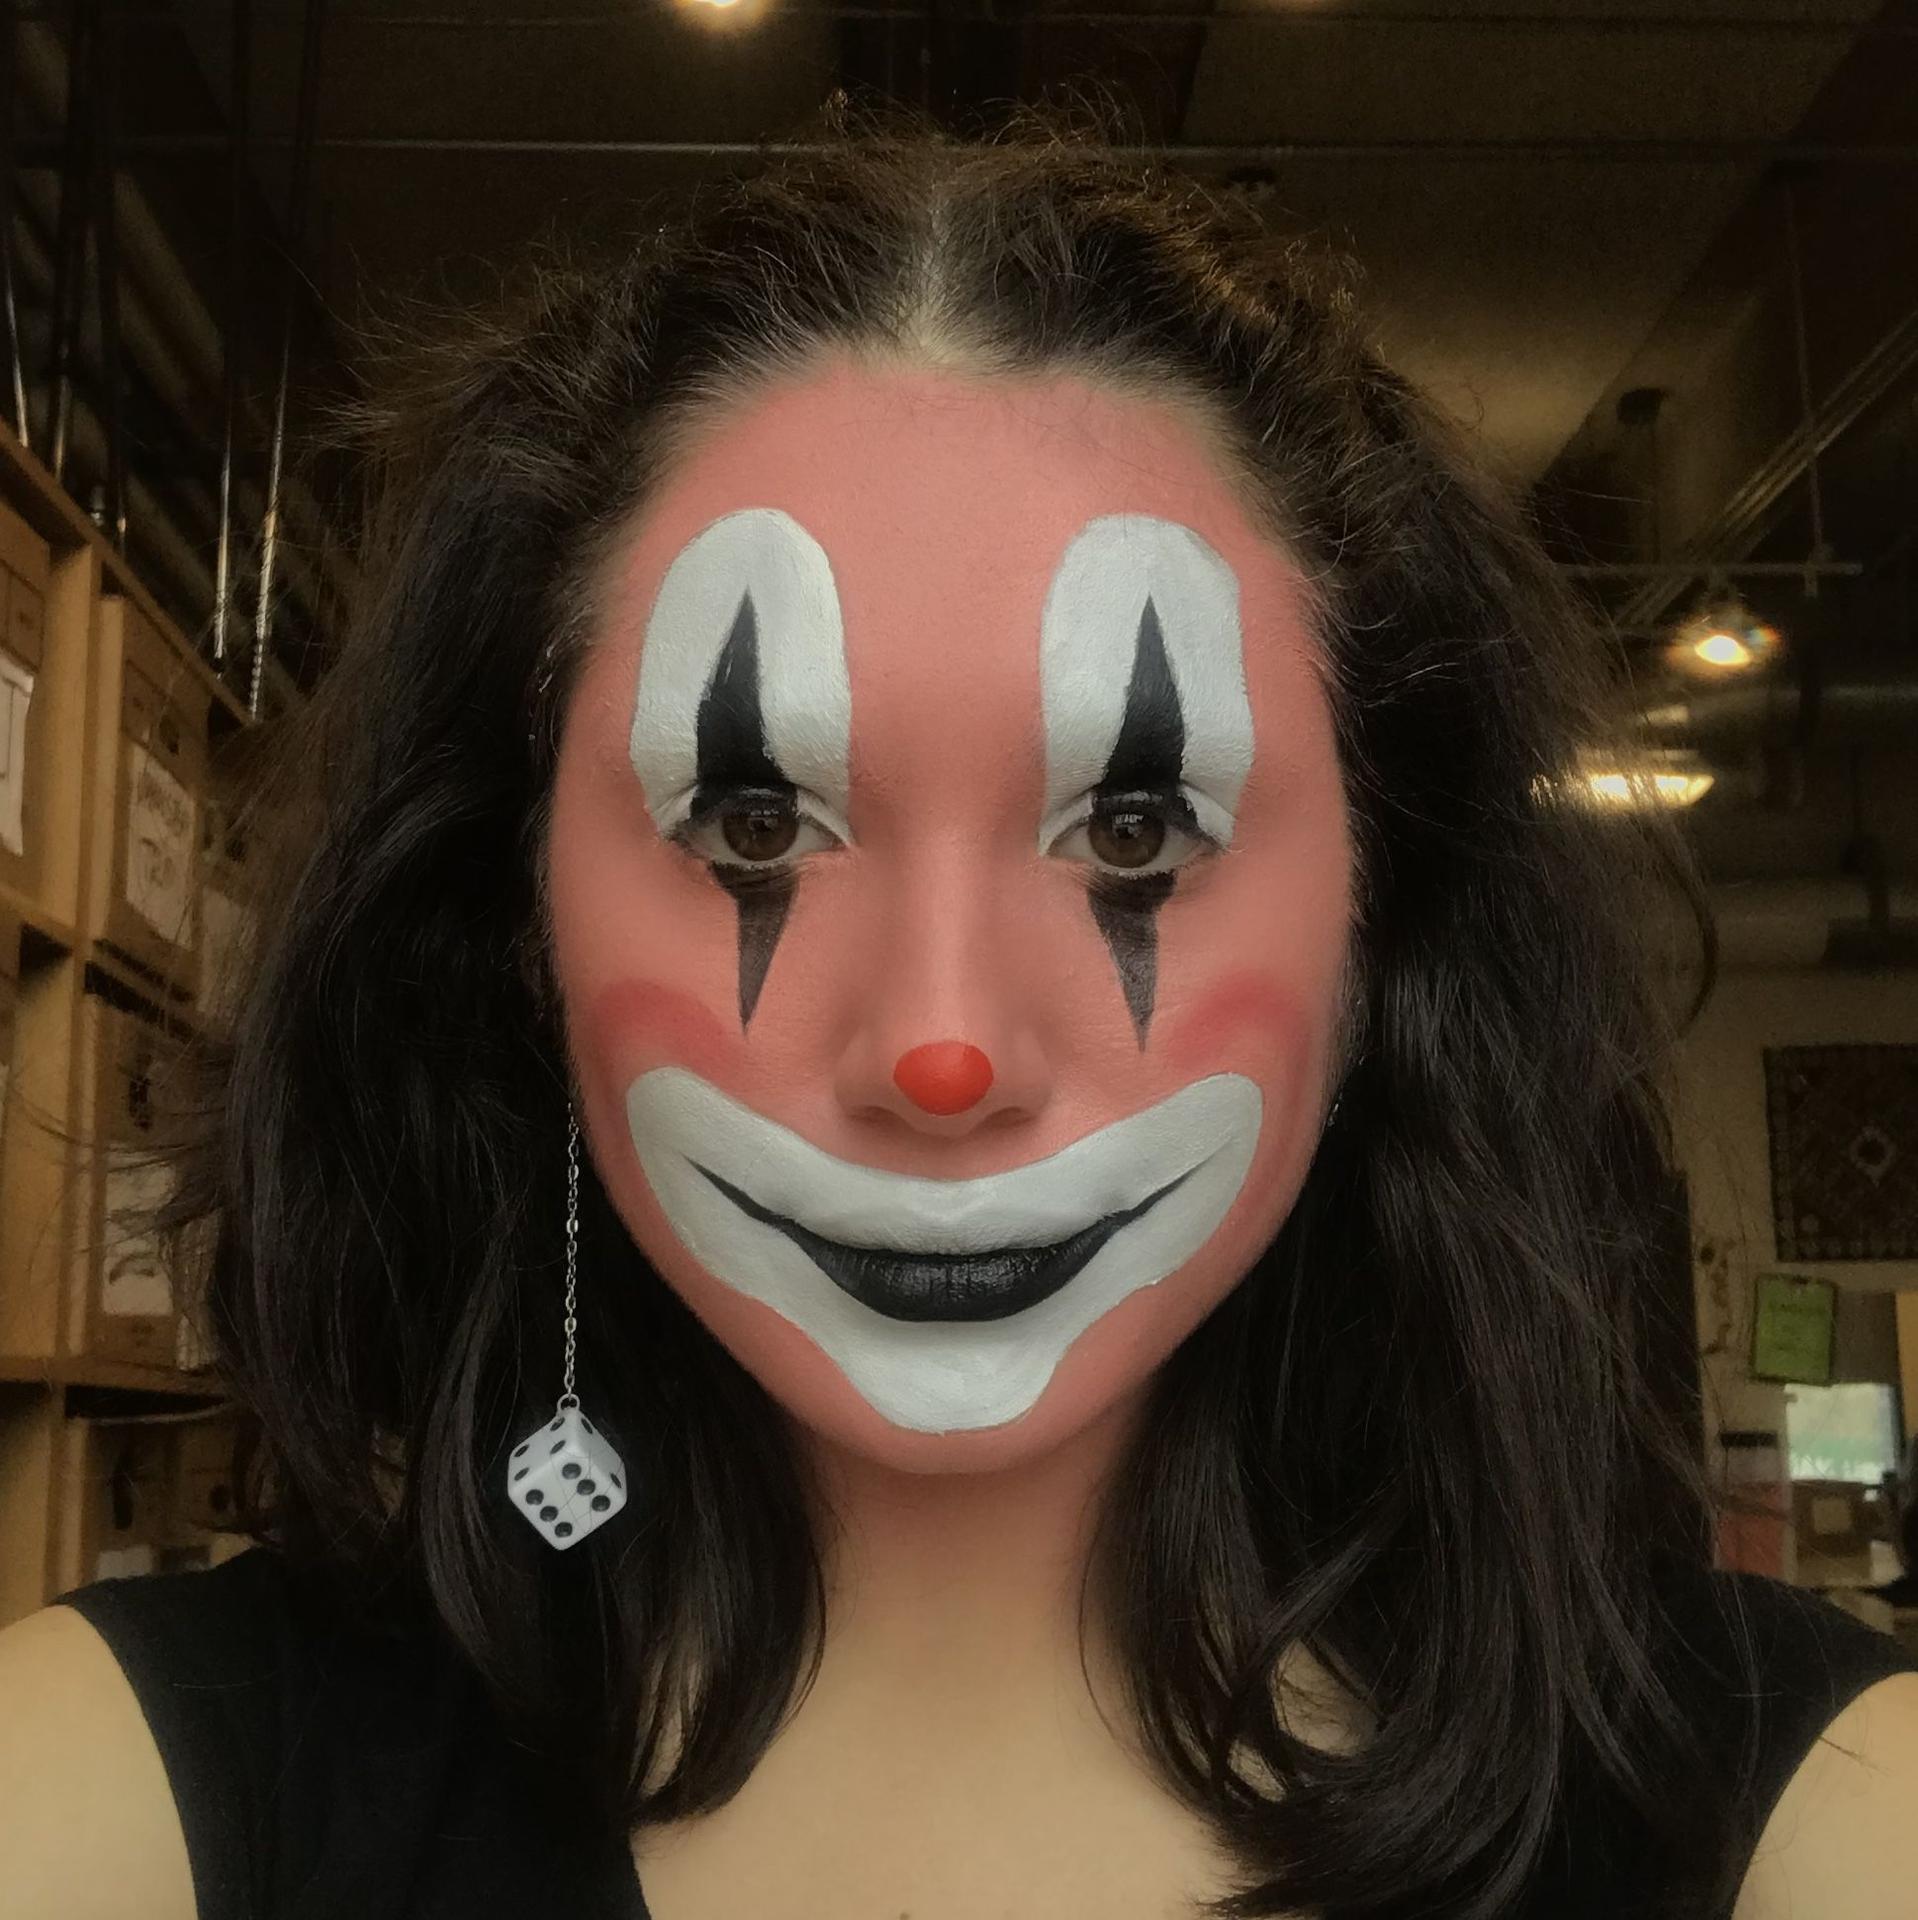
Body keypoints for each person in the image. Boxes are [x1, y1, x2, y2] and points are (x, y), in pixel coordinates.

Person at [3, 111, 1916, 1920]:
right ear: (519, 925)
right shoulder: (128, 1780)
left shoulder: (1801, 1807)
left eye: (1137, 828)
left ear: (1375, 934)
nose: (942, 1053)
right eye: (754, 824)